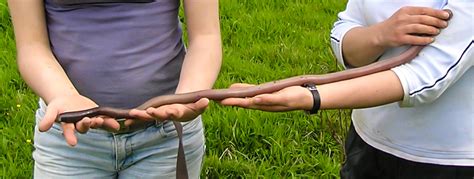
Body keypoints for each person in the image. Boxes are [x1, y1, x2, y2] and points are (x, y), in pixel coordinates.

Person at [221, 1, 473, 178]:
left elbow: (425, 78)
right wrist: (380, 34)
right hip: (367, 144)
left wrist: (312, 96)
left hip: (446, 162)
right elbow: (345, 30)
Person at [8, 0, 221, 178]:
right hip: (70, 139)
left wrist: (188, 95)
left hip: (164, 138)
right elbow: (32, 46)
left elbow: (205, 36)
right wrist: (64, 95)